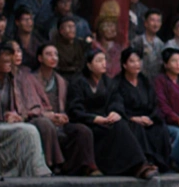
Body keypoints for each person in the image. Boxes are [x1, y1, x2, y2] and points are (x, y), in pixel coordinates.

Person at [67, 49, 158, 179]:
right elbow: (74, 109)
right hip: (89, 121)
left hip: (106, 120)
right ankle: (139, 166)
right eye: (98, 61)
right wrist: (95, 118)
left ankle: (140, 164)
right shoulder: (78, 82)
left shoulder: (108, 82)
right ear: (89, 65)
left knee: (124, 124)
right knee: (117, 127)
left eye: (104, 60)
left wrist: (115, 112)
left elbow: (116, 100)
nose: (103, 63)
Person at [0, 45, 52, 177]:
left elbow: (14, 106)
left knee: (28, 130)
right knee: (29, 131)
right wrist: (3, 118)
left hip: (3, 124)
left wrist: (15, 116)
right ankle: (36, 170)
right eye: (5, 62)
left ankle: (31, 170)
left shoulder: (10, 80)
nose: (9, 65)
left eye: (10, 62)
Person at [32, 43, 99, 176]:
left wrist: (62, 116)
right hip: (39, 118)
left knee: (83, 130)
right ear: (40, 58)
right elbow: (28, 105)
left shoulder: (61, 81)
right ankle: (51, 164)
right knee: (46, 125)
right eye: (49, 54)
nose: (54, 57)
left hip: (59, 120)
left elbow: (65, 105)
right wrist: (47, 115)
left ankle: (83, 166)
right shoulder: (30, 79)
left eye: (56, 54)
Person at [114, 48, 172, 172]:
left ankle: (160, 163)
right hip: (129, 118)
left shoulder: (145, 81)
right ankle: (144, 162)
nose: (136, 64)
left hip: (146, 117)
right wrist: (133, 118)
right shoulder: (117, 83)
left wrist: (150, 117)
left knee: (160, 128)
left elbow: (154, 103)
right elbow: (117, 105)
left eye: (138, 61)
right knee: (136, 127)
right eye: (132, 61)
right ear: (124, 65)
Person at [130, 9, 166, 80]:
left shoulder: (161, 44)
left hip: (156, 80)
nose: (155, 24)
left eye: (158, 21)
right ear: (146, 23)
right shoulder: (137, 41)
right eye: (152, 20)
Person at [91, 10, 124, 77]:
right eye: (107, 26)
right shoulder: (94, 47)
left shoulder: (119, 49)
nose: (111, 29)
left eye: (113, 25)